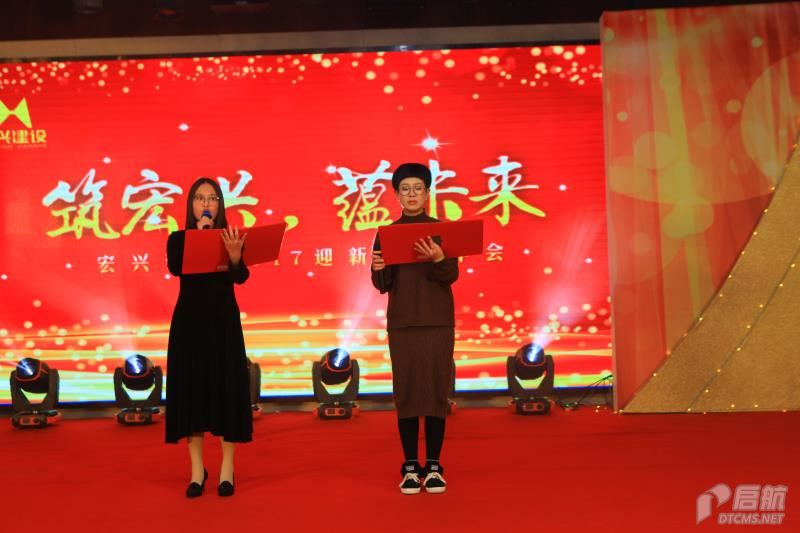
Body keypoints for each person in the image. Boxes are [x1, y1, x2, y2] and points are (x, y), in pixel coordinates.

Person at [371, 162, 459, 495]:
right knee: (406, 393)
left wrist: (437, 258)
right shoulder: (386, 233)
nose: (411, 194)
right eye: (405, 189)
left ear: (427, 193)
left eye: (417, 188)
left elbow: (451, 275)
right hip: (403, 323)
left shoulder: (442, 230)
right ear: (396, 194)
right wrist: (379, 267)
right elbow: (382, 283)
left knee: (436, 392)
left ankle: (434, 466)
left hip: (437, 322)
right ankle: (410, 466)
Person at [165, 177, 251, 498]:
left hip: (223, 323)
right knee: (193, 392)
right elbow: (176, 268)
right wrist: (199, 238)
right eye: (200, 198)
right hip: (189, 324)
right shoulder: (177, 239)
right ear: (191, 205)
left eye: (212, 198)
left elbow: (241, 277)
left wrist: (234, 256)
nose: (206, 203)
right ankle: (197, 470)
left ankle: (227, 468)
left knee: (226, 389)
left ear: (220, 204)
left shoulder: (232, 237)